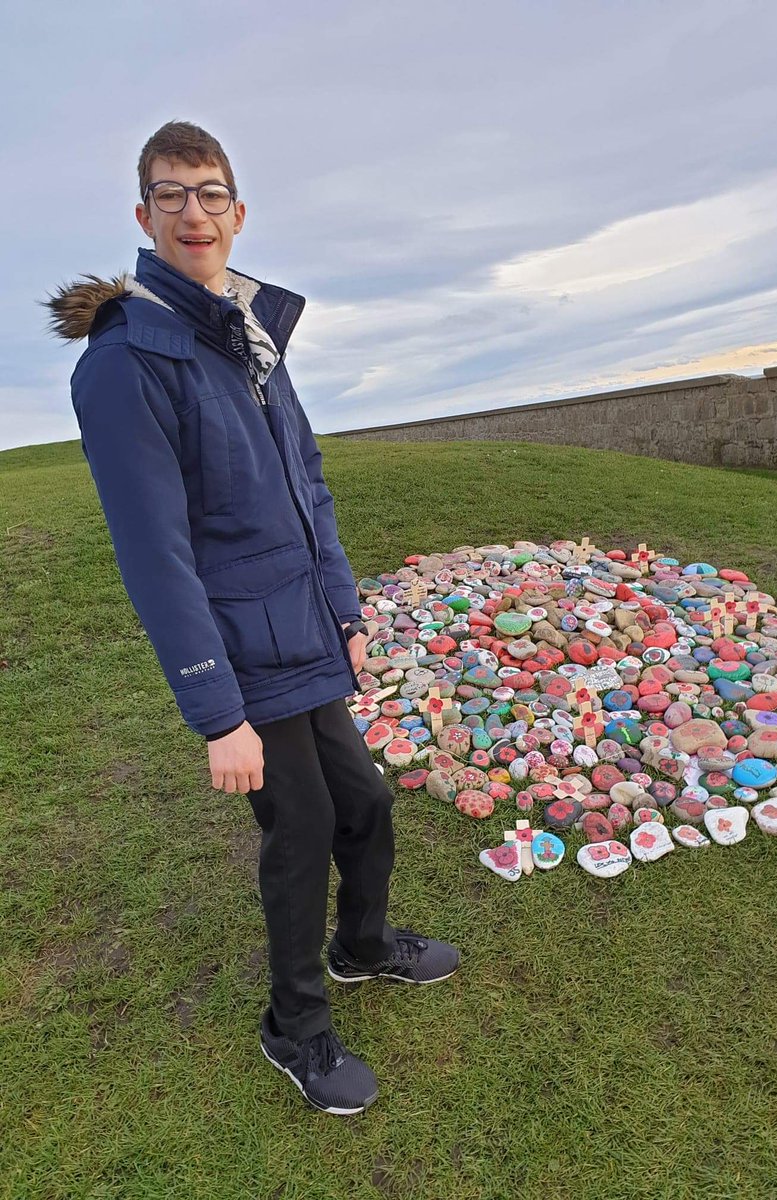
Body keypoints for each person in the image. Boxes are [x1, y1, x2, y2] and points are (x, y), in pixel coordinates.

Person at [46, 120, 458, 1116]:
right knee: (304, 821)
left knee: (366, 801)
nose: (194, 211)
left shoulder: (248, 331)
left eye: (211, 192)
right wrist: (215, 711)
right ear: (144, 215)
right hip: (239, 646)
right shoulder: (124, 358)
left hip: (302, 628)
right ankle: (297, 1027)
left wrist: (344, 609)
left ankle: (361, 947)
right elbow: (156, 551)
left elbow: (303, 486)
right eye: (172, 194)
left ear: (238, 213)